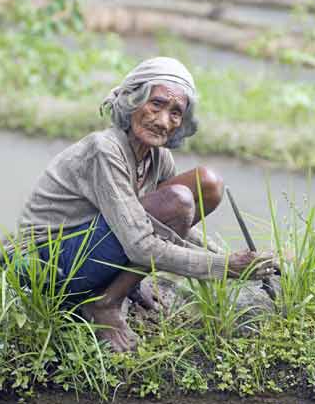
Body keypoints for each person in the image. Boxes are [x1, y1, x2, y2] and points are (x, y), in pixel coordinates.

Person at [17, 57, 274, 352]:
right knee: (178, 200)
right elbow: (142, 242)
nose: (163, 121)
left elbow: (173, 227)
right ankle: (104, 305)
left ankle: (121, 287)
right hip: (49, 264)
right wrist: (225, 267)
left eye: (175, 112)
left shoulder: (158, 158)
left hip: (90, 248)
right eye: (156, 104)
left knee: (207, 185)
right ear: (133, 100)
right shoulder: (105, 150)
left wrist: (239, 258)